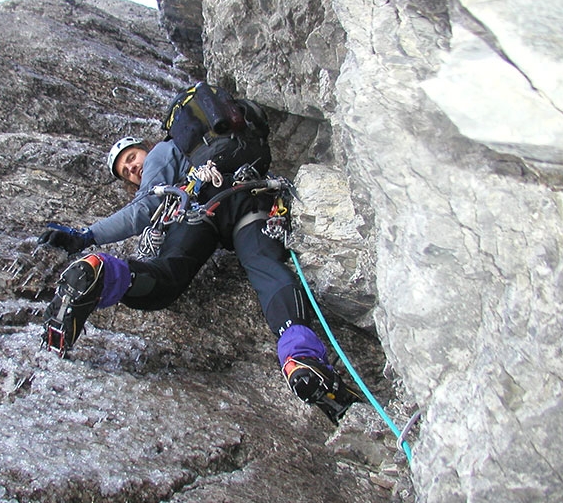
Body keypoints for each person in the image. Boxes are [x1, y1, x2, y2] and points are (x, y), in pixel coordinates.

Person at [38, 84, 361, 424]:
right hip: (246, 198)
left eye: (131, 159)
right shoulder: (205, 147)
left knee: (167, 275)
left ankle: (103, 273)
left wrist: (88, 236)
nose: (133, 169)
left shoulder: (163, 153)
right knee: (268, 269)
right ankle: (299, 358)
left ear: (145, 148)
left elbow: (146, 208)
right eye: (125, 172)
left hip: (201, 206)